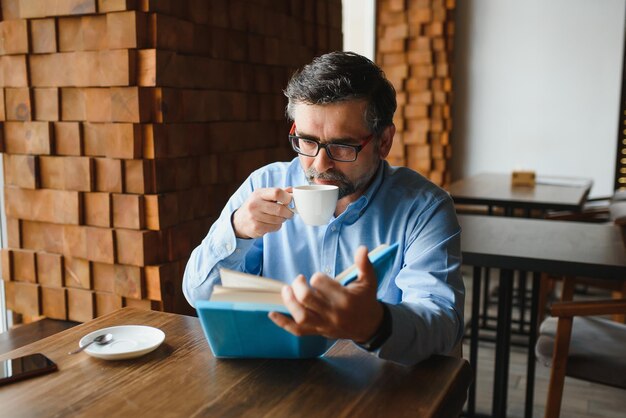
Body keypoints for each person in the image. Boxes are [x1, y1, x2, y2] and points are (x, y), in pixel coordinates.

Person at [183, 51, 464, 366]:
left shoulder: (425, 209)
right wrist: (236, 230)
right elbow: (199, 294)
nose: (319, 164)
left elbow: (443, 324)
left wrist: (375, 324)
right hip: (277, 379)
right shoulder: (264, 184)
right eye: (306, 141)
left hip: (379, 390)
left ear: (384, 141)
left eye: (342, 146)